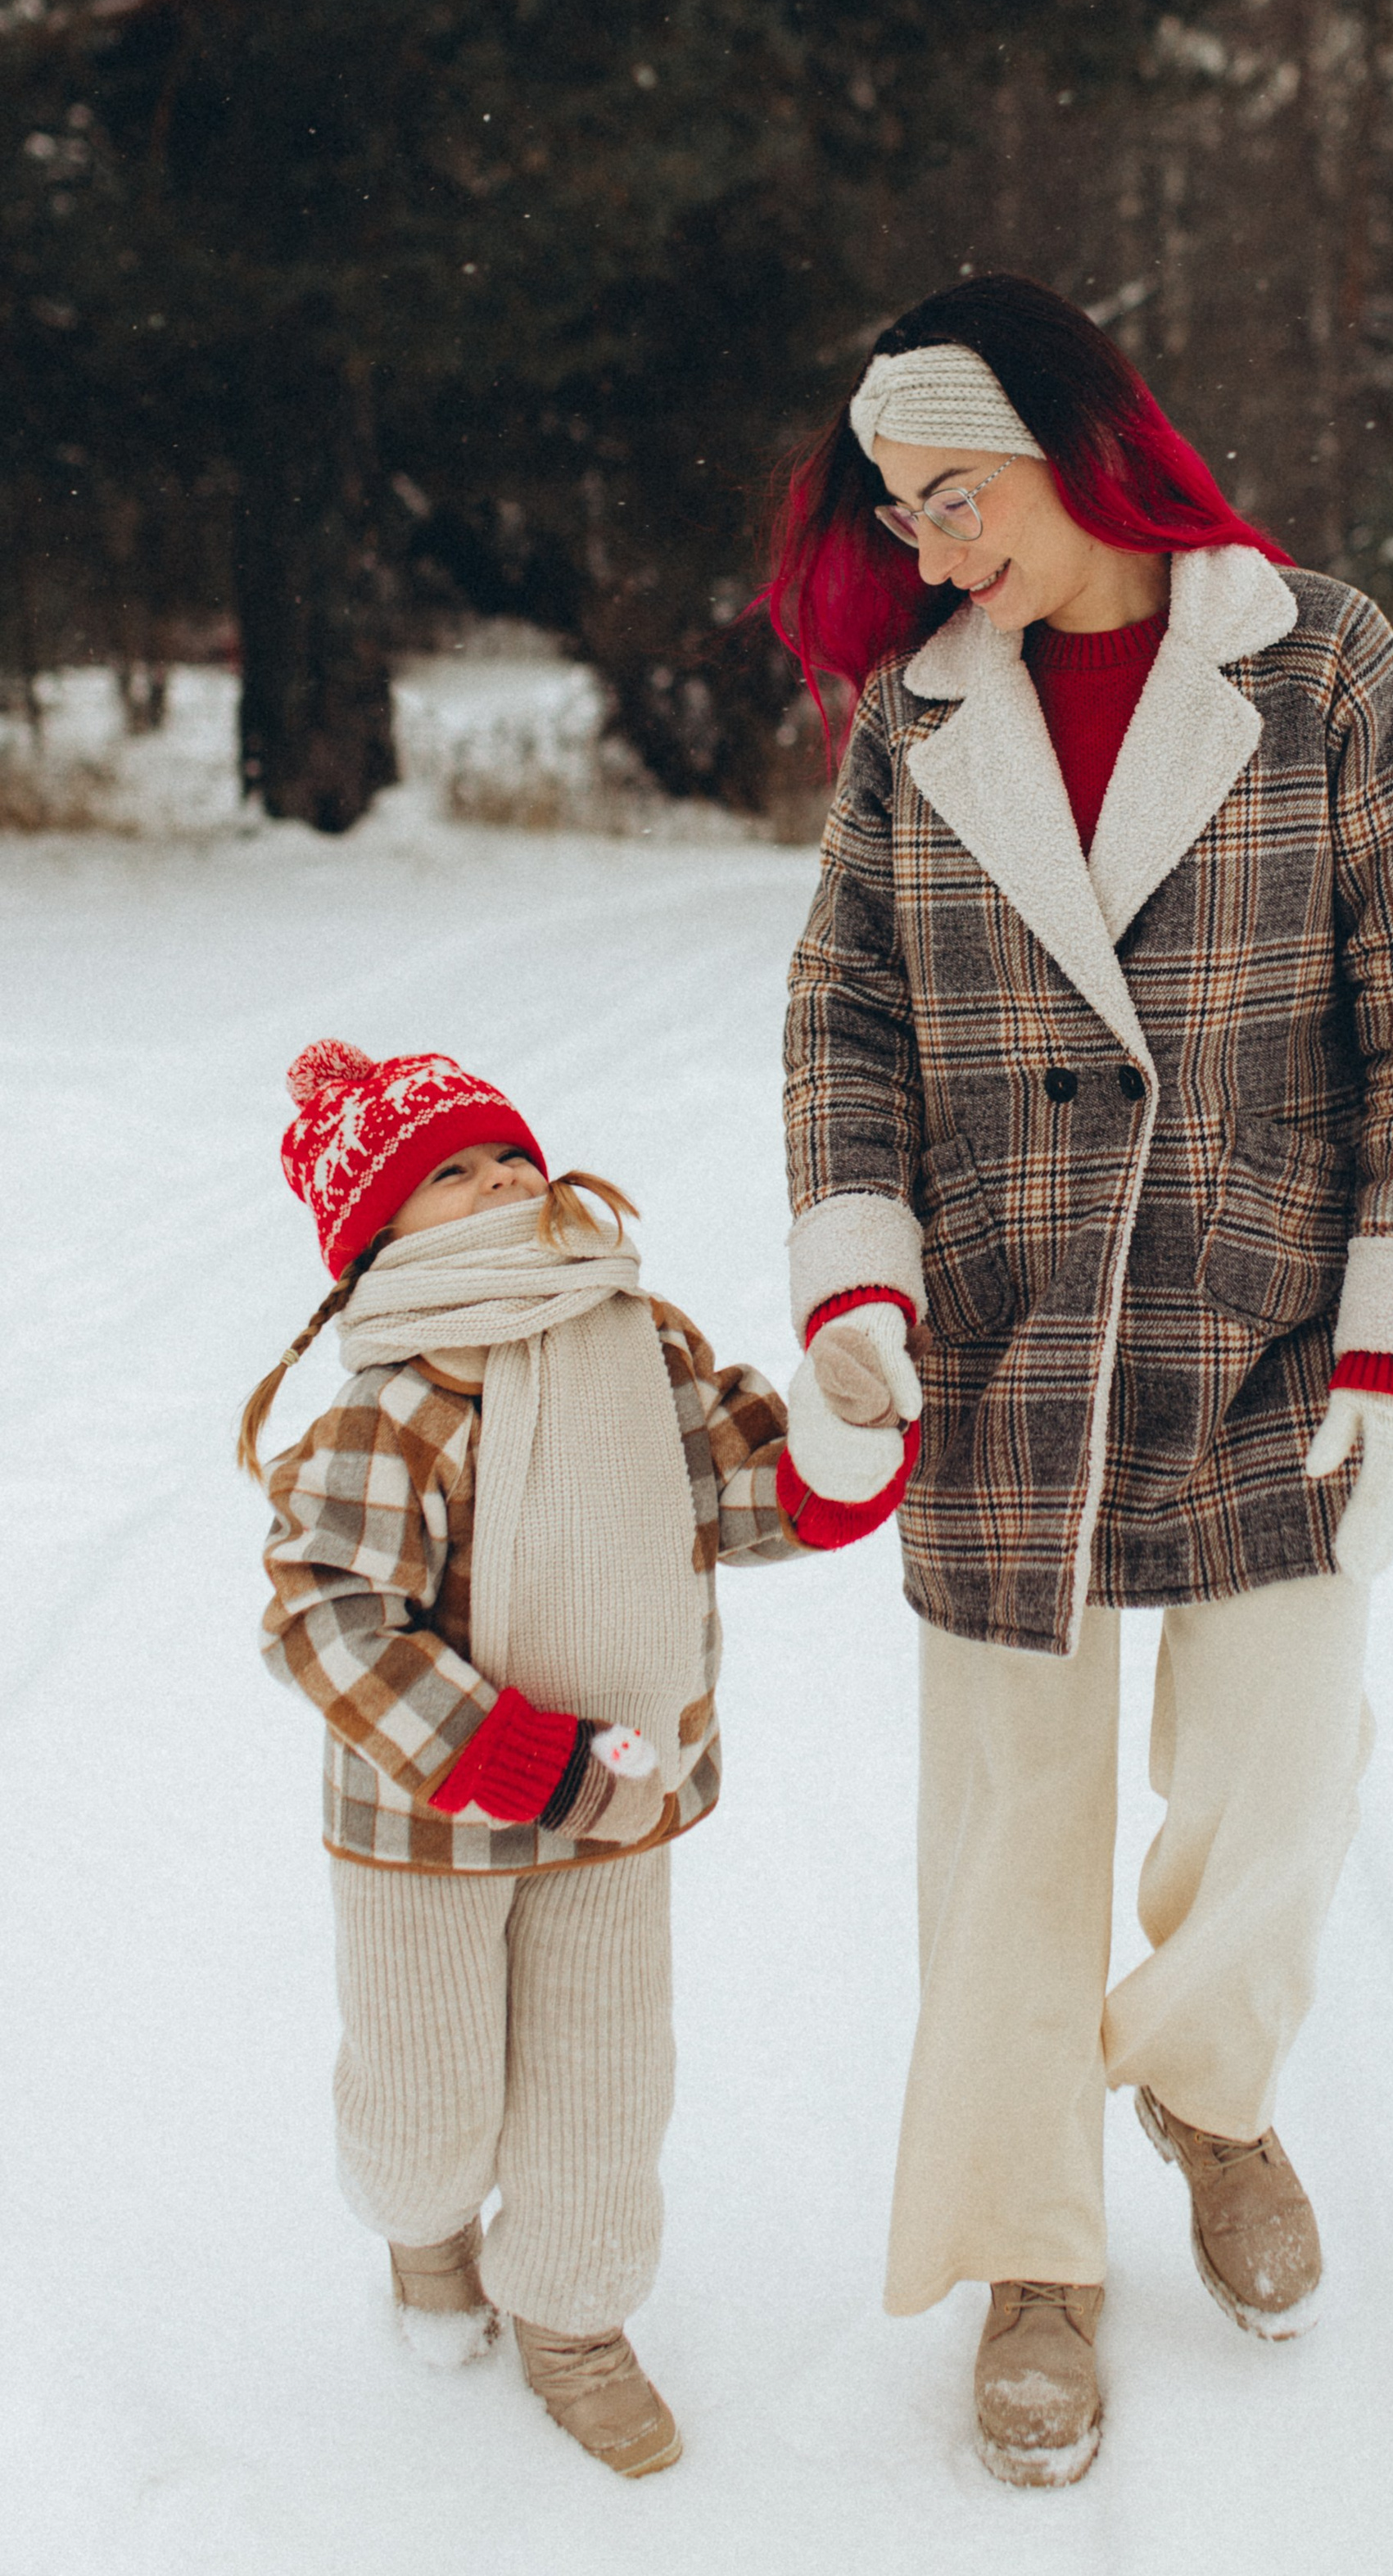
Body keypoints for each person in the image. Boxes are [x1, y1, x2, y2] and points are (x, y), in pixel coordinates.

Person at [767, 273, 1393, 2486]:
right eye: (897, 512)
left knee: (1282, 1763)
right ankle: (1032, 2242)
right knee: (1008, 1821)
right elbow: (847, 1020)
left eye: (954, 495)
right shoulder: (919, 719)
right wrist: (851, 1282)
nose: (925, 546)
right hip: (1003, 1335)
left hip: (1271, 1313)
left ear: (1075, 449)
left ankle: (1207, 2087)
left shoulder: (1323, 660)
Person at [242, 1039, 911, 2475]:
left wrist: (838, 1436)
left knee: (605, 2085)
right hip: (429, 1820)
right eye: (444, 1176)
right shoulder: (396, 1399)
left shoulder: (635, 1339)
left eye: (503, 1154)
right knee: (430, 2103)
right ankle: (427, 2238)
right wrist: (502, 1751)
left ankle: (573, 2320)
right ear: (374, 1237)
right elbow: (324, 1615)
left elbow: (734, 1488)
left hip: (618, 1795)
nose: (495, 1179)